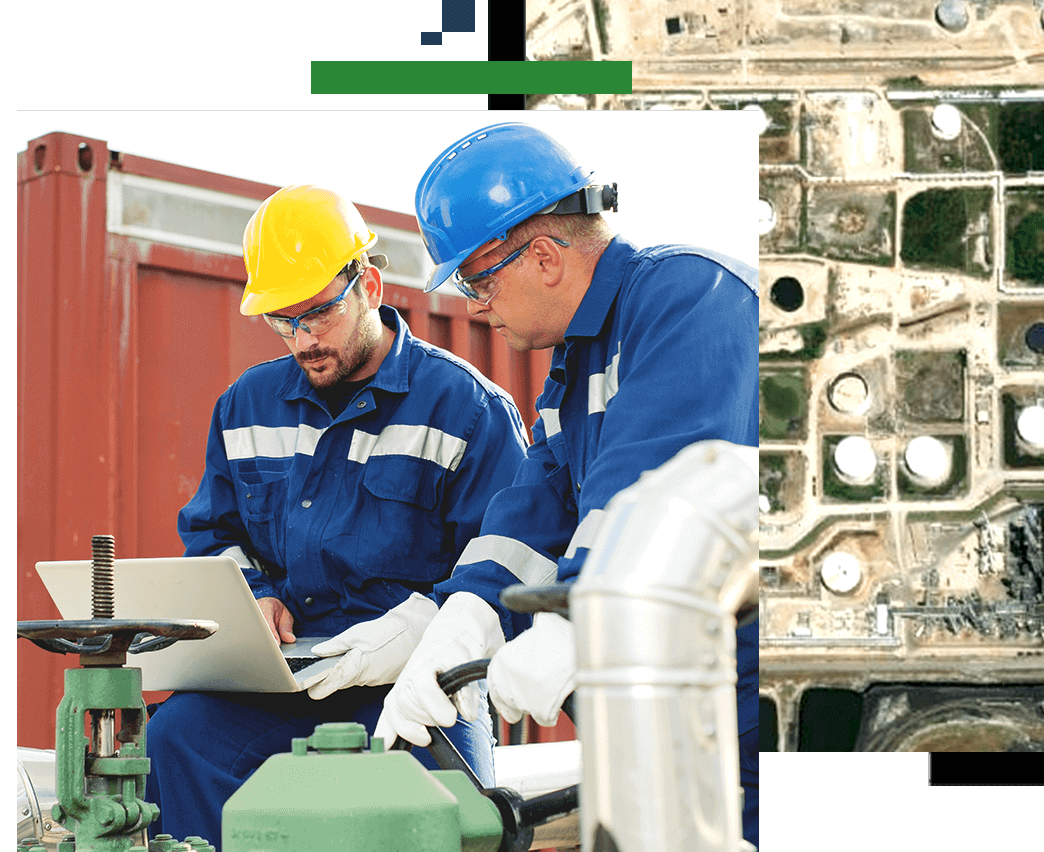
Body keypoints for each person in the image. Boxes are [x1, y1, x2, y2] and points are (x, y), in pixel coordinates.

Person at [377, 123, 759, 846]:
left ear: (545, 257)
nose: (474, 306)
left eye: (476, 279)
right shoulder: (578, 365)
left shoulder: (689, 300)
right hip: (680, 693)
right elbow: (533, 513)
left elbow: (661, 492)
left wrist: (579, 625)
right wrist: (459, 621)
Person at [153, 185, 532, 846]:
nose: (303, 339)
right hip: (284, 682)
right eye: (281, 320)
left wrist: (418, 632)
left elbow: (512, 567)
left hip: (419, 686)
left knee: (435, 823)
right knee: (175, 739)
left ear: (371, 287)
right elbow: (215, 534)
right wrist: (255, 596)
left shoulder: (467, 409)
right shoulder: (246, 405)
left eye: (319, 313)